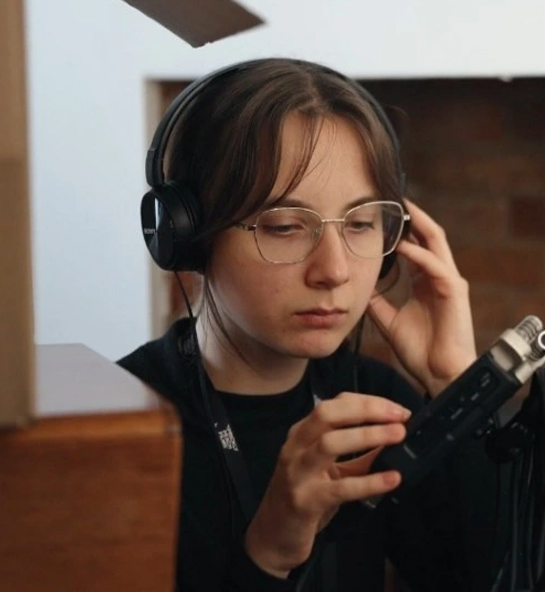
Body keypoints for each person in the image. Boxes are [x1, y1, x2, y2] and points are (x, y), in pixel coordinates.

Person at [119, 58, 502, 592]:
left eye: (362, 223)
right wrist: (266, 556)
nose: (336, 271)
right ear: (187, 235)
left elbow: (493, 577)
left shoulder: (379, 403)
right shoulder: (118, 432)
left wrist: (460, 393)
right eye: (284, 227)